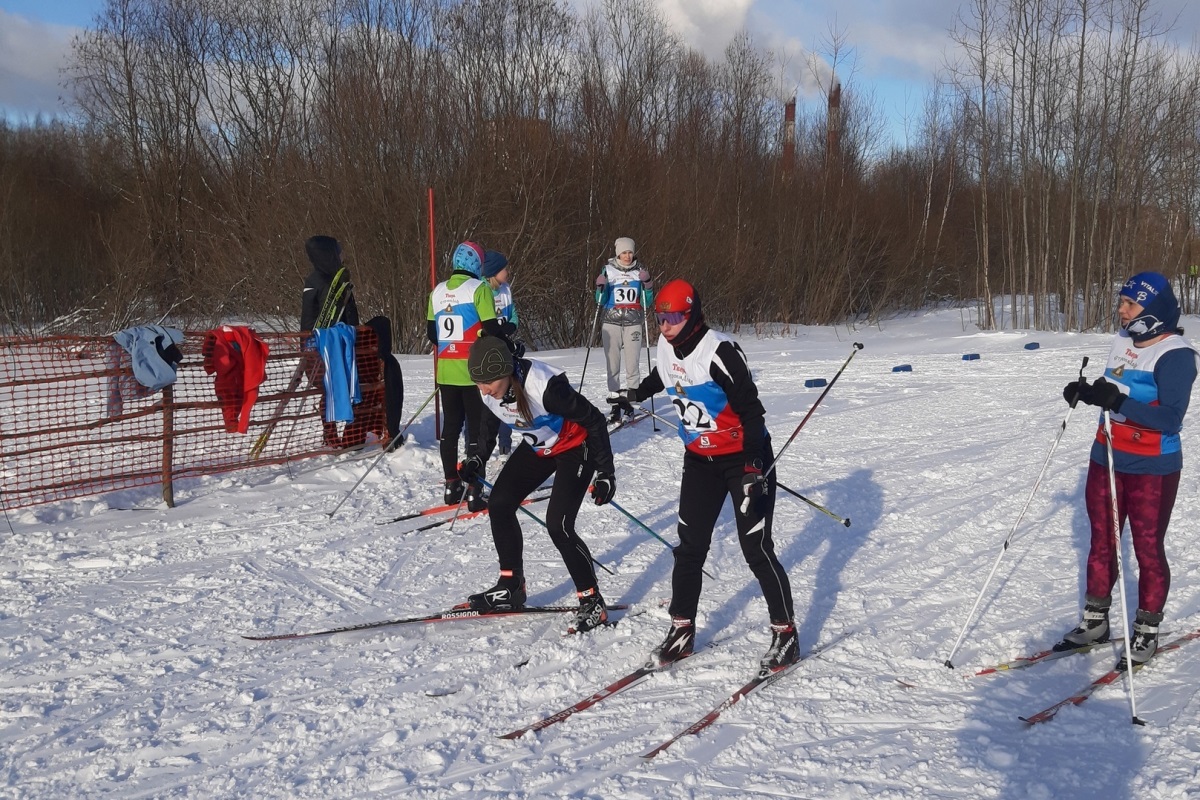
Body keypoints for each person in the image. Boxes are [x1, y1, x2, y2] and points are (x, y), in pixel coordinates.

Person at [609, 279, 798, 671]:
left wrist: (753, 467)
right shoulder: (665, 345)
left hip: (743, 458)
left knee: (756, 549)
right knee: (689, 548)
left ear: (692, 314)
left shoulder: (720, 352)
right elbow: (665, 374)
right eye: (660, 318)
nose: (666, 326)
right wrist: (637, 393)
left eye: (674, 317)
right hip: (699, 461)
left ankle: (785, 633)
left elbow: (752, 413)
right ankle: (682, 630)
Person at [1056, 271, 1198, 665]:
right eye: (1121, 302)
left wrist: (1117, 404)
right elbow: (1114, 387)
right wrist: (1088, 393)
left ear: (1151, 311)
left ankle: (1146, 630)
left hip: (1153, 465)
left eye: (1129, 304)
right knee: (1101, 540)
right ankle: (1095, 621)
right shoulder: (1122, 340)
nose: (1120, 310)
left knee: (1148, 548)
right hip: (1107, 455)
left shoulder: (1177, 356)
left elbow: (1170, 418)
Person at [458, 336, 618, 634]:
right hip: (541, 446)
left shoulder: (544, 387)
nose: (482, 389)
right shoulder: (490, 390)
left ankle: (592, 600)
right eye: (477, 382)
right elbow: (488, 428)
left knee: (558, 524)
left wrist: (606, 472)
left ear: (505, 371)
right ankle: (511, 585)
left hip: (575, 445)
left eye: (487, 382)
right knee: (500, 502)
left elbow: (595, 420)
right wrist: (476, 460)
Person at [427, 241, 508, 510]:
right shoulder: (479, 288)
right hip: (474, 372)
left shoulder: (437, 291)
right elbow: (490, 328)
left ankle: (451, 485)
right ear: (476, 264)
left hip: (447, 371)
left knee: (450, 429)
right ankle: (475, 490)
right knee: (477, 430)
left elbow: (431, 334)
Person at [300, 235, 359, 447]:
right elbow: (335, 315)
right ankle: (338, 436)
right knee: (337, 390)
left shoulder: (319, 278)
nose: (342, 255)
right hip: (327, 348)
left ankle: (337, 435)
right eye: (338, 251)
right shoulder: (325, 281)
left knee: (332, 391)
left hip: (318, 346)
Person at [594, 237, 653, 422]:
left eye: (630, 252)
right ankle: (615, 404)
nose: (627, 256)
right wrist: (600, 288)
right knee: (612, 365)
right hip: (611, 323)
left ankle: (629, 403)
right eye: (624, 252)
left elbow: (646, 303)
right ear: (617, 253)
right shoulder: (608, 270)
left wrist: (648, 285)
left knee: (632, 364)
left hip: (633, 323)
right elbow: (600, 302)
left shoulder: (640, 271)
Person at [483, 250, 517, 456]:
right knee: (487, 398)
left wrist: (509, 328)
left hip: (504, 348)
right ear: (494, 272)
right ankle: (481, 444)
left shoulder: (506, 289)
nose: (508, 271)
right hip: (486, 351)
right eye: (505, 268)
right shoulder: (481, 289)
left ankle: (505, 443)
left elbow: (514, 315)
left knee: (507, 396)